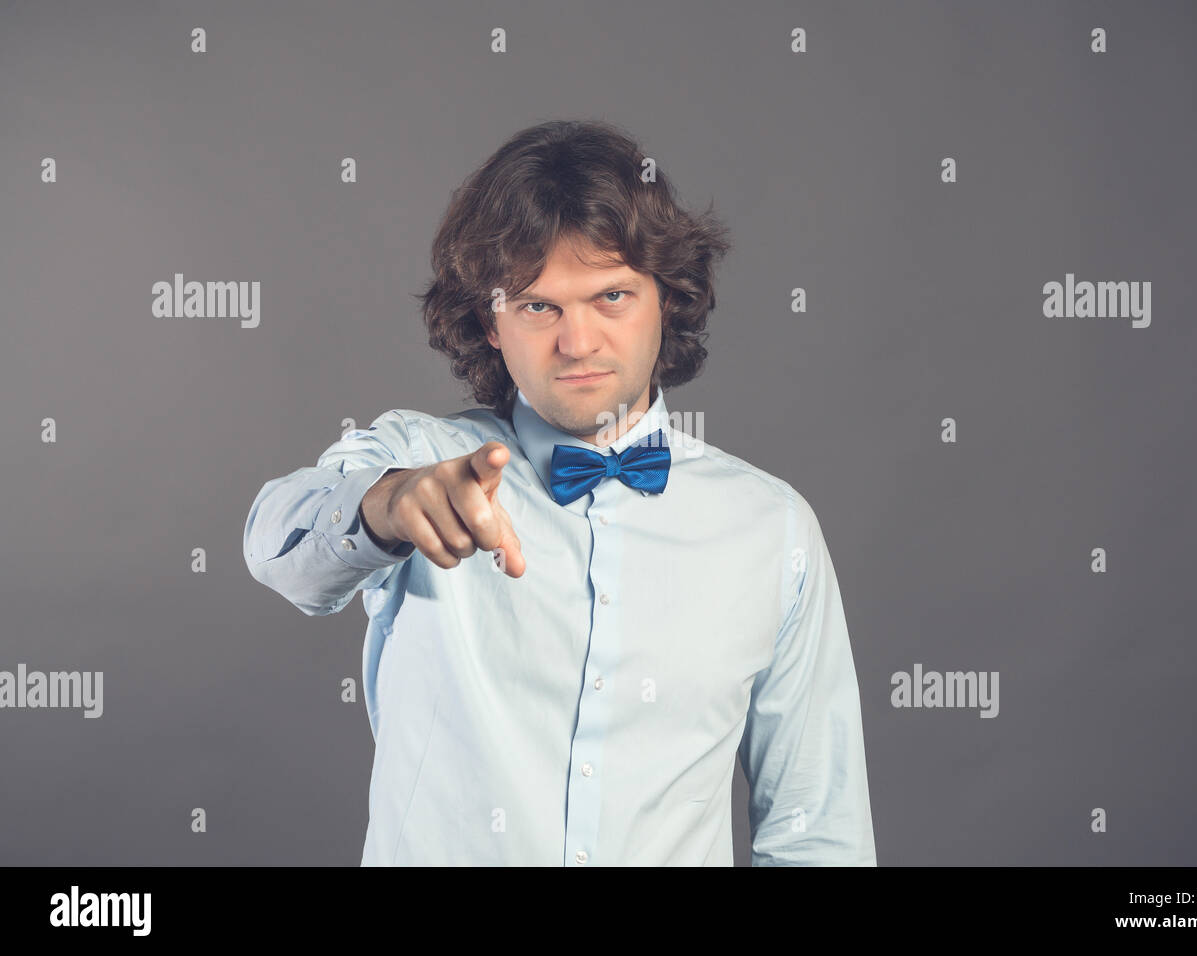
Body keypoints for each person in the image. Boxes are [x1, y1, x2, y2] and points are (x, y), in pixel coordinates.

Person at [243, 119, 876, 866]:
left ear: (666, 300)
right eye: (540, 306)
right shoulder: (417, 457)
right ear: (489, 319)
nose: (577, 342)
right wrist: (387, 506)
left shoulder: (775, 531)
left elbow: (817, 835)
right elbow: (277, 545)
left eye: (611, 297)